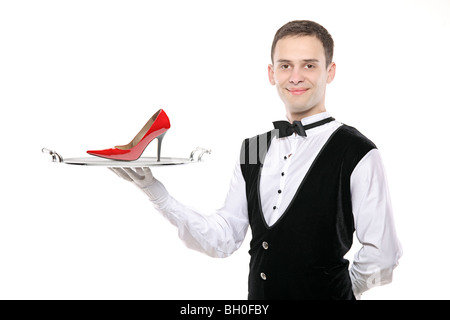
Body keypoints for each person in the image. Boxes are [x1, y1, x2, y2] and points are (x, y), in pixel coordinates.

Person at [110, 20, 402, 300]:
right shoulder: (253, 148)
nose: (296, 76)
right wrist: (156, 192)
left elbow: (384, 255)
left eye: (309, 65)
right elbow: (224, 239)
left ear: (330, 71)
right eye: (285, 65)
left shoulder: (358, 151)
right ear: (271, 73)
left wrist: (344, 291)